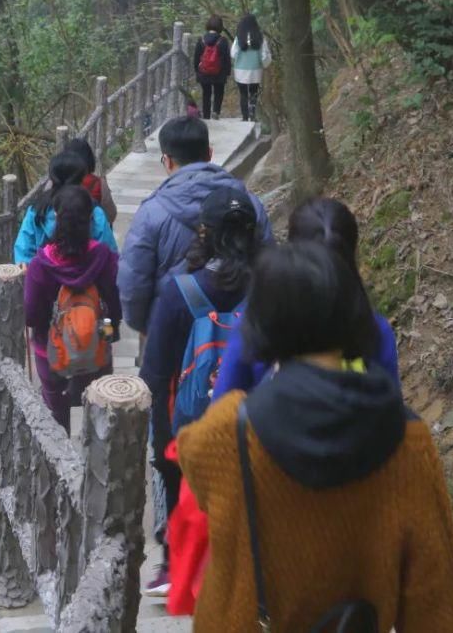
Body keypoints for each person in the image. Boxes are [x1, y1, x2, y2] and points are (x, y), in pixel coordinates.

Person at [177, 241, 453, 631]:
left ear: (262, 323)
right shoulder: (409, 440)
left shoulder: (227, 433)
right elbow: (437, 603)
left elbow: (190, 456)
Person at [139, 187, 260, 597]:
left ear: (204, 233)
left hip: (190, 423)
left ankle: (176, 562)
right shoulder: (273, 289)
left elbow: (155, 374)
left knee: (171, 471)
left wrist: (161, 441)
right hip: (257, 421)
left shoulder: (180, 291)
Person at [213, 197, 400, 400]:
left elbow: (221, 405)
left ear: (291, 251)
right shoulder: (375, 330)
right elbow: (394, 415)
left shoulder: (256, 322)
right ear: (353, 252)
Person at [117, 115, 272, 337]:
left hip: (170, 330)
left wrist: (145, 324)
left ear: (167, 160)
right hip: (240, 332)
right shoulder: (248, 204)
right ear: (209, 153)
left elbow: (133, 279)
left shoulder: (151, 212)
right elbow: (268, 263)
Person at [24, 186, 121, 434]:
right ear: (91, 218)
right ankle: (97, 460)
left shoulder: (40, 265)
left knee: (56, 408)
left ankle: (61, 460)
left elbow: (32, 316)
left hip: (51, 350)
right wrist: (111, 333)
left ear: (55, 217)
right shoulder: (104, 257)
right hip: (95, 345)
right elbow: (113, 301)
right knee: (98, 404)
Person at [13, 151, 117, 265]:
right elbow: (109, 256)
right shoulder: (94, 212)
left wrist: (34, 272)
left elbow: (24, 253)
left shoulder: (37, 210)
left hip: (44, 277)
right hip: (87, 279)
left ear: (52, 177)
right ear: (81, 178)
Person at [65, 138, 117, 225]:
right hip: (92, 231)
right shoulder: (99, 183)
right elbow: (111, 214)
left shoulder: (56, 181)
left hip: (61, 231)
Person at [230, 14, 271, 122]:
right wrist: (265, 64)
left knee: (243, 93)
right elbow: (265, 55)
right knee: (254, 92)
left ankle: (244, 116)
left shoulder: (239, 37)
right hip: (255, 69)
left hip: (240, 69)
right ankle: (252, 114)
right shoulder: (260, 37)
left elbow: (233, 54)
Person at [192, 15, 232, 120]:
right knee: (219, 92)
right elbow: (227, 58)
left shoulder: (201, 39)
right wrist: (227, 72)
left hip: (204, 72)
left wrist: (197, 70)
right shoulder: (223, 40)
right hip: (219, 72)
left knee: (206, 93)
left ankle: (206, 116)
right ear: (220, 26)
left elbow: (196, 57)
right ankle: (216, 112)